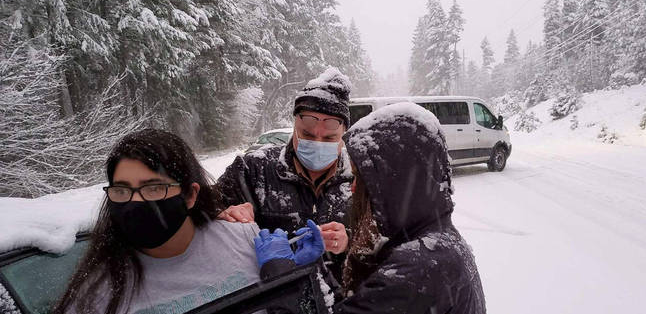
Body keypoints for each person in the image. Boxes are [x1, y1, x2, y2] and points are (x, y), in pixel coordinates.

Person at [54, 129, 322, 314]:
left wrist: (290, 284)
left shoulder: (243, 238)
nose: (136, 203)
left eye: (154, 188)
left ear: (191, 194)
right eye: (122, 190)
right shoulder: (97, 293)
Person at [255, 102, 487, 313]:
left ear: (394, 180)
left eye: (360, 178)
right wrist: (315, 269)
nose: (353, 188)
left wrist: (282, 277)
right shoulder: (437, 244)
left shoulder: (418, 269)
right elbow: (354, 307)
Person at [215, 68, 354, 280]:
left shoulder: (358, 179)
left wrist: (348, 242)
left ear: (343, 134)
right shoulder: (253, 169)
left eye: (329, 139)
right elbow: (200, 214)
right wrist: (223, 215)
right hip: (273, 298)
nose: (317, 143)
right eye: (307, 134)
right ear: (294, 125)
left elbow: (380, 241)